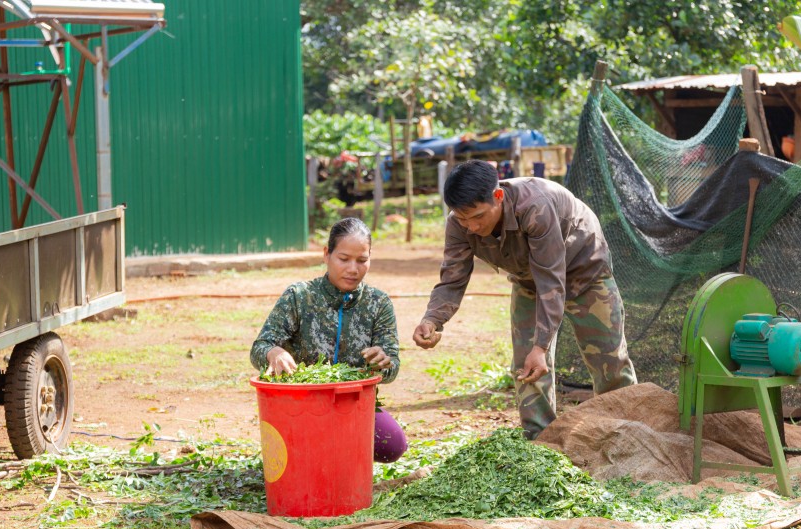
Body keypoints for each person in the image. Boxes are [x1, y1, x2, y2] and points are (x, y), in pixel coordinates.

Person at [413, 160, 636, 439]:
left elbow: (552, 283)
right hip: (529, 278)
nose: (471, 226)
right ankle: (540, 441)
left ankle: (630, 432)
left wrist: (541, 345)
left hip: (583, 267)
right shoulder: (459, 223)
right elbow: (453, 278)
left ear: (498, 197)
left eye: (478, 216)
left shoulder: (535, 207)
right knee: (527, 367)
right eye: (462, 218)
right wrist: (433, 319)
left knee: (609, 358)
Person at [251, 217, 406, 462]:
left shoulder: (379, 304)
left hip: (354, 405)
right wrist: (274, 353)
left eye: (362, 260)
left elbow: (392, 368)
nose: (353, 269)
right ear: (327, 255)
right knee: (308, 457)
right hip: (302, 404)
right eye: (343, 259)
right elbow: (260, 347)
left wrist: (383, 363)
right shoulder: (299, 297)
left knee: (391, 445)